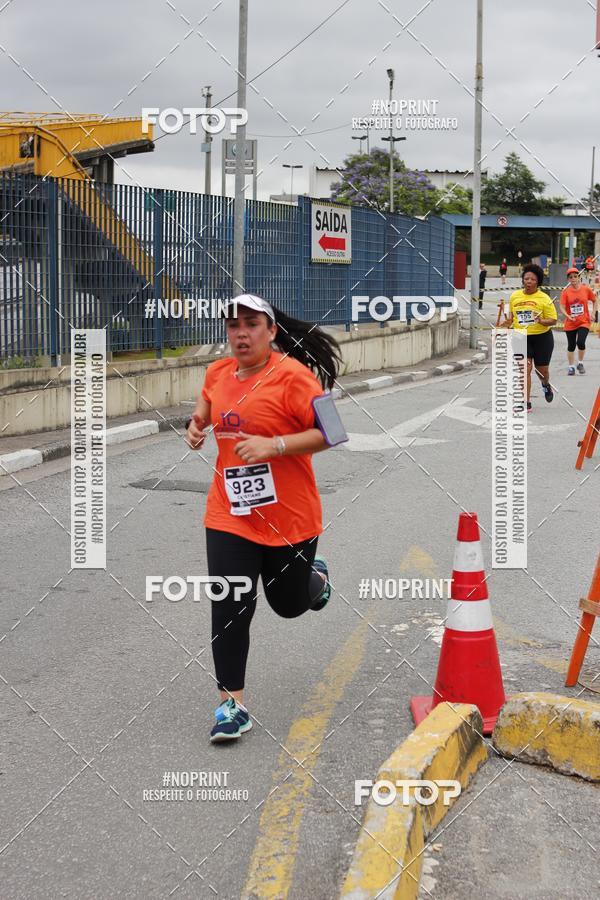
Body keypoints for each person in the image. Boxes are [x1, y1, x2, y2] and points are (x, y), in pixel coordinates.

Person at [185, 294, 342, 742]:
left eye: (251, 324)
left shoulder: (296, 377)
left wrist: (275, 446)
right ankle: (230, 707)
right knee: (230, 604)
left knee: (289, 604)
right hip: (229, 514)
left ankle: (316, 580)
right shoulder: (217, 372)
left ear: (271, 331)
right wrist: (195, 429)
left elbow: (334, 432)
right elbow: (202, 414)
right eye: (233, 325)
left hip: (289, 518)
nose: (240, 333)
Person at [506, 263, 557, 412]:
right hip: (521, 337)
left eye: (532, 279)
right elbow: (511, 318)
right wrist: (505, 326)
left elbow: (553, 320)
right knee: (524, 369)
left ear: (538, 282)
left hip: (542, 338)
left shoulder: (544, 298)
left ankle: (546, 385)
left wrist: (541, 320)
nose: (528, 281)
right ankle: (525, 402)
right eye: (526, 278)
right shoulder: (515, 296)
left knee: (541, 371)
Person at [560, 267, 596, 374]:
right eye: (571, 277)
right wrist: (568, 315)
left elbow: (595, 300)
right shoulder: (565, 292)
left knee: (580, 342)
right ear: (568, 280)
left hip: (583, 321)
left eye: (575, 276)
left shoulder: (586, 289)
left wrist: (593, 313)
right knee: (571, 345)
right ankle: (571, 366)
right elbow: (562, 307)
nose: (573, 279)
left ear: (579, 277)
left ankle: (580, 363)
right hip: (570, 322)